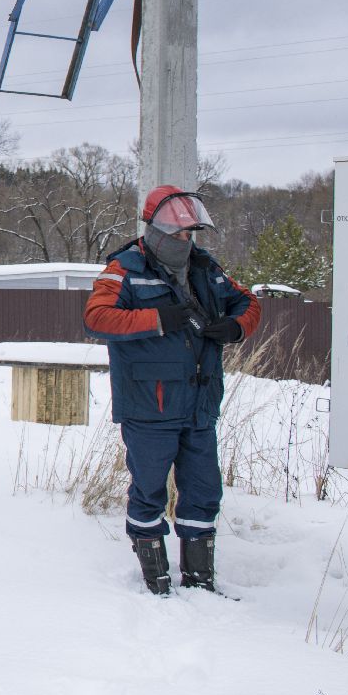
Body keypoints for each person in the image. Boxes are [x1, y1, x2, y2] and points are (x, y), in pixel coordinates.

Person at [84, 185, 261, 595]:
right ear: (156, 230)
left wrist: (235, 328)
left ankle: (200, 582)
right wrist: (158, 319)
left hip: (199, 402)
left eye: (190, 234)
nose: (186, 241)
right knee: (148, 489)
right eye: (179, 233)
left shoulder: (205, 268)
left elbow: (248, 302)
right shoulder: (124, 268)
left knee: (203, 490)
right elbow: (96, 318)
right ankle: (155, 580)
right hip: (150, 405)